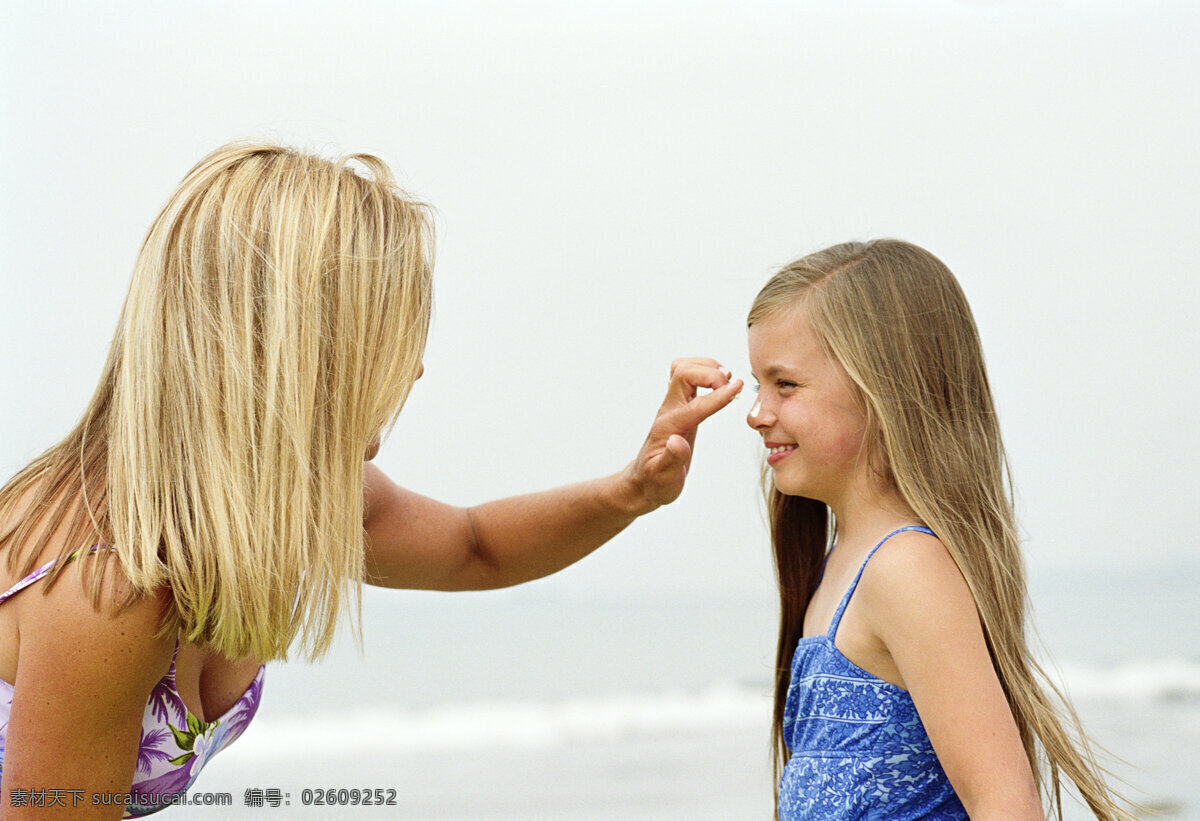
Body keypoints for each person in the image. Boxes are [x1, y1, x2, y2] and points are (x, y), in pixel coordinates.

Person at [0, 142, 743, 819]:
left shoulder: (286, 495)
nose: (414, 366)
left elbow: (473, 545)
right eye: (387, 333)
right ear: (295, 350)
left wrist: (631, 491)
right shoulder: (108, 582)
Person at [745, 240, 1131, 820]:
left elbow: (1006, 804)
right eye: (757, 384)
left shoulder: (905, 571)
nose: (757, 412)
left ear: (881, 390)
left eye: (785, 385)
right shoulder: (840, 568)